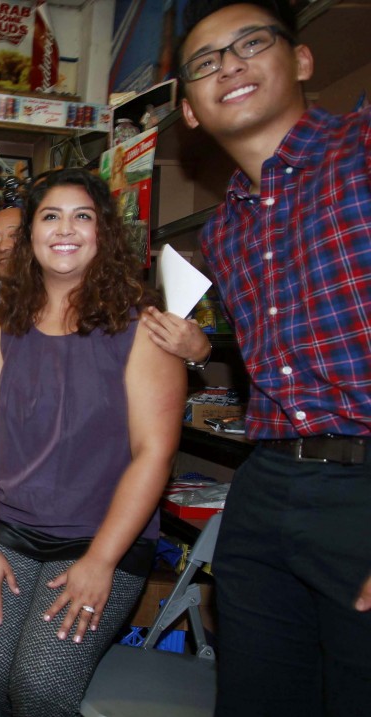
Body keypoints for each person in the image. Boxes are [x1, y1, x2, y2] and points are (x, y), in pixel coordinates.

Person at [175, 1, 371, 714]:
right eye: (205, 62)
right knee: (256, 691)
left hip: (362, 480)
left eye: (250, 44)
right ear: (190, 111)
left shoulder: (360, 149)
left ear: (302, 60)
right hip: (266, 480)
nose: (228, 65)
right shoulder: (226, 228)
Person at [0, 168, 185, 717]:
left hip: (102, 540)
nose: (66, 228)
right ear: (30, 236)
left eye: (83, 216)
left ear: (103, 233)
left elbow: (154, 452)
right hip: (10, 533)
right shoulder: (2, 327)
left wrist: (102, 560)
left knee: (39, 688)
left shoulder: (143, 327)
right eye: (51, 216)